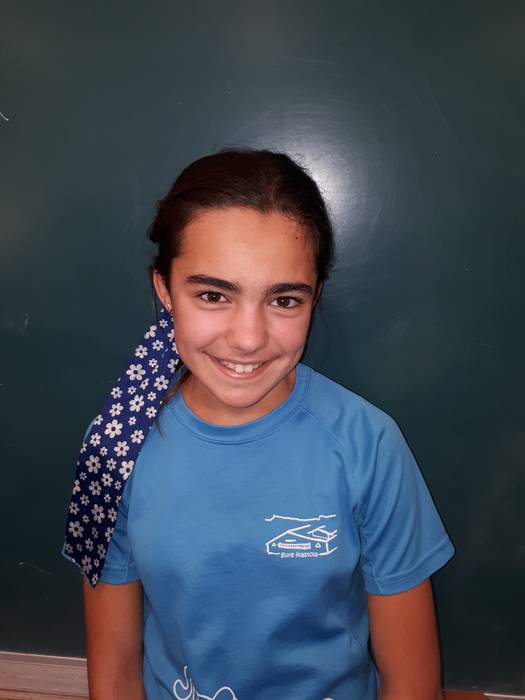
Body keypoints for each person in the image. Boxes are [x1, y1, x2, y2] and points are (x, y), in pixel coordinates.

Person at [64, 148, 454, 700]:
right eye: (212, 295)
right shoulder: (114, 448)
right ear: (164, 290)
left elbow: (412, 680)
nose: (248, 338)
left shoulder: (369, 445)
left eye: (284, 300)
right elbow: (114, 674)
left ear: (314, 297)